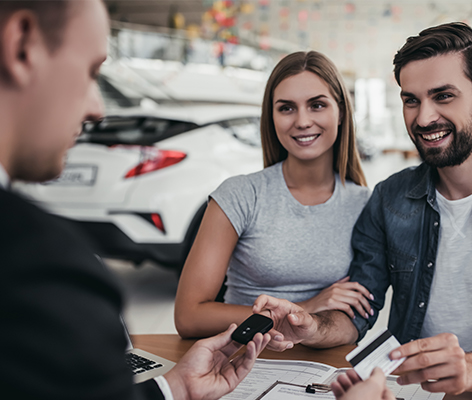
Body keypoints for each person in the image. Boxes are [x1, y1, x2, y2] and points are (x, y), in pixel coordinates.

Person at [253, 22, 472, 395]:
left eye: (443, 96)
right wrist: (313, 326)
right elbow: (357, 312)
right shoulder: (390, 198)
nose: (423, 118)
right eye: (411, 100)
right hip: (413, 391)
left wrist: (471, 368)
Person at [0, 1, 270, 398]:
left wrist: (173, 388)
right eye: (91, 71)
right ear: (22, 46)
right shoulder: (40, 270)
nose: (96, 109)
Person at [174, 51, 373, 340]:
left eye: (317, 105)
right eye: (287, 108)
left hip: (321, 365)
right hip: (243, 359)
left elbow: (359, 313)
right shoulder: (241, 195)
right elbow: (189, 316)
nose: (303, 121)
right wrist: (300, 309)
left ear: (341, 112)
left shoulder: (364, 204)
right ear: (272, 117)